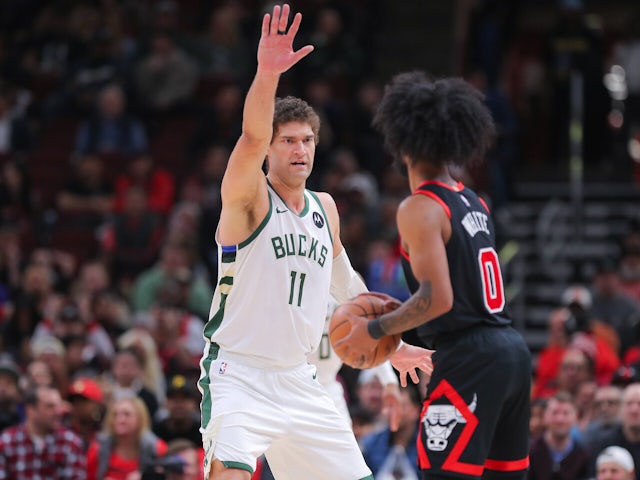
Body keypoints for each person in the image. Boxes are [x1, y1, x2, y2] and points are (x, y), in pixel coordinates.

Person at [198, 5, 431, 479]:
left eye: (306, 140)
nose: (299, 149)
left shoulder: (325, 208)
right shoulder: (249, 200)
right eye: (287, 141)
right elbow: (249, 134)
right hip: (238, 374)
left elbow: (346, 283)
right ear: (269, 149)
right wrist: (267, 75)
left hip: (301, 379)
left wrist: (389, 338)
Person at [334, 70, 532, 479]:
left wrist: (376, 330)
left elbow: (436, 299)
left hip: (470, 355)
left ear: (400, 140)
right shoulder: (474, 201)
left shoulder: (419, 207)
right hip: (510, 350)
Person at [0, 385, 87, 479]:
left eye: (59, 406)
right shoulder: (8, 441)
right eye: (50, 406)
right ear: (31, 410)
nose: (58, 411)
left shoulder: (71, 442)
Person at [527, 391, 590, 480]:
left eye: (566, 413)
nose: (560, 419)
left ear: (575, 417)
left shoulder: (583, 455)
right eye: (555, 413)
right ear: (545, 416)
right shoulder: (529, 451)